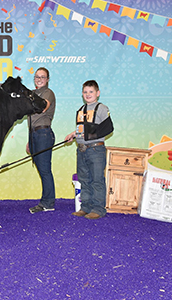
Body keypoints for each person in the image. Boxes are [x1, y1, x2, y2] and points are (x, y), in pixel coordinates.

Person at [65, 80, 113, 219]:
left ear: (97, 93)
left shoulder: (102, 108)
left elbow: (108, 128)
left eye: (91, 91)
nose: (88, 94)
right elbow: (82, 129)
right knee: (84, 179)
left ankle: (98, 209)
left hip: (95, 150)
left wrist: (89, 135)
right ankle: (85, 207)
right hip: (81, 150)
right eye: (85, 92)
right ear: (82, 94)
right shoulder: (81, 110)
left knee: (97, 180)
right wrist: (73, 135)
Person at [28, 67, 56, 214]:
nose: (39, 79)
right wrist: (29, 140)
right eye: (37, 77)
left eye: (42, 77)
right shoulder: (33, 93)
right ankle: (47, 200)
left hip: (43, 133)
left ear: (47, 79)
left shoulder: (47, 93)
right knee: (42, 169)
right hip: (35, 134)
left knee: (45, 170)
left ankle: (48, 202)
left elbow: (43, 107)